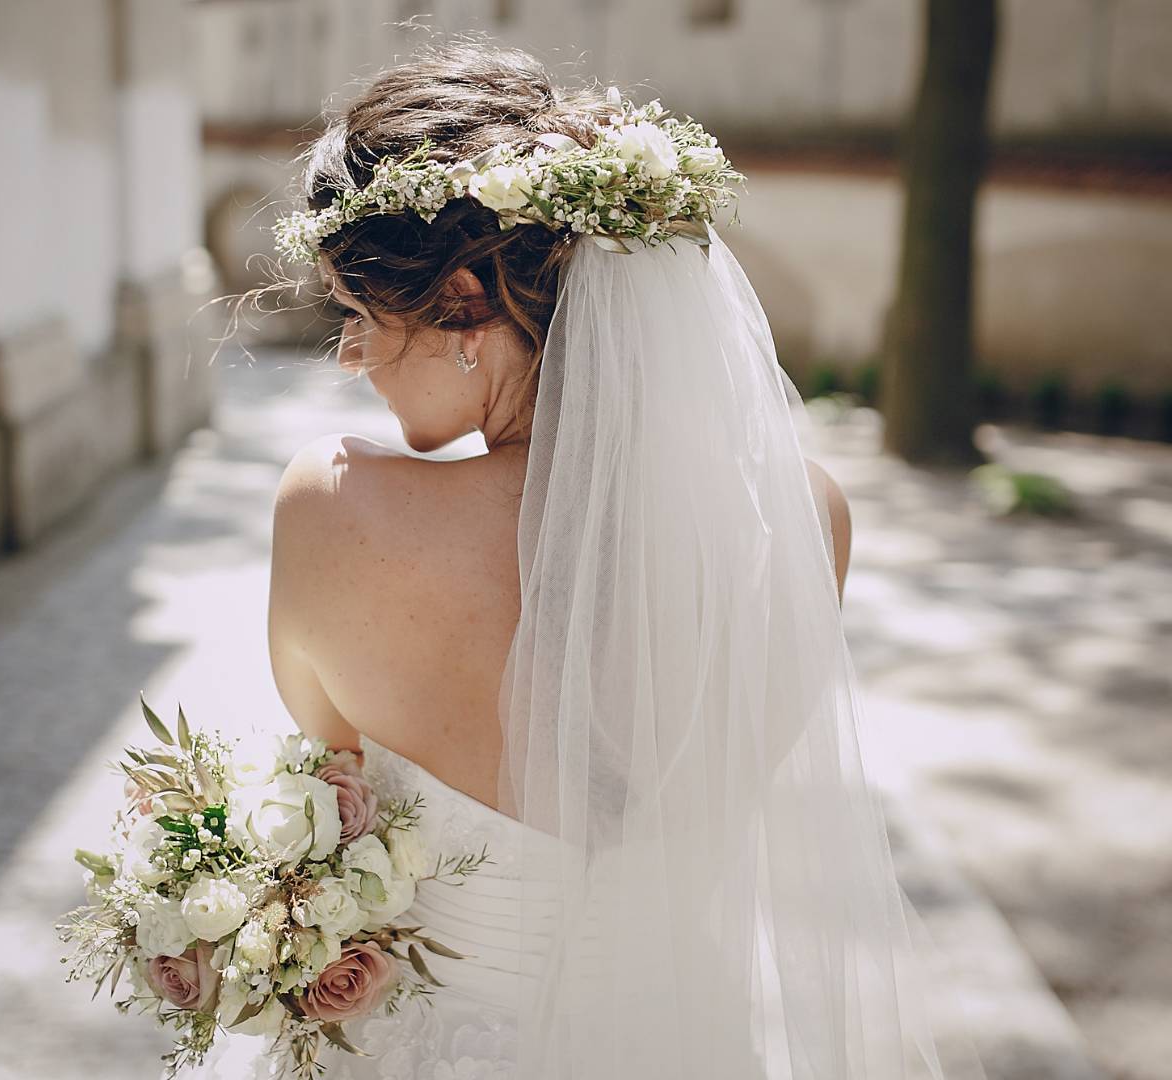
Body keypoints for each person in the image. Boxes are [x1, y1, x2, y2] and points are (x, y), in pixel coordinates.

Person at [242, 41, 983, 1080]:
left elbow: (330, 777)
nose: (350, 357)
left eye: (362, 315)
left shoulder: (332, 510)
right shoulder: (806, 519)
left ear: (463, 304)